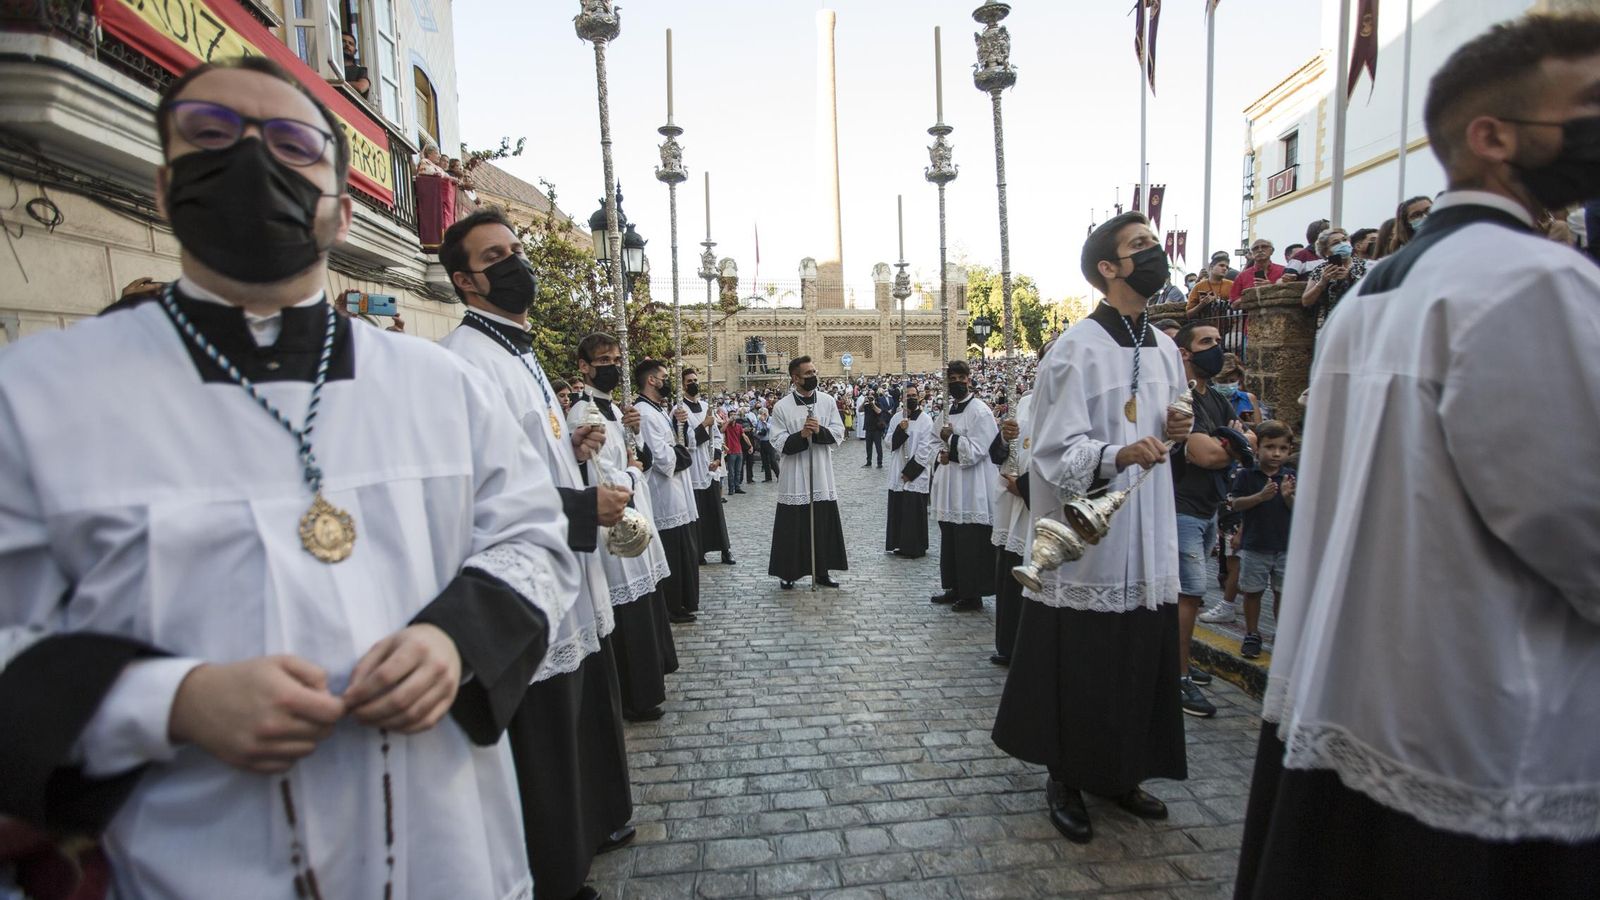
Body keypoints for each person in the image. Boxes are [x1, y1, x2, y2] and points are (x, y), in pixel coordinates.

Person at [0, 58, 582, 899]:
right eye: (211, 135)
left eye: (292, 144)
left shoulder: (441, 385)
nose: (252, 159)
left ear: (341, 210)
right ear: (166, 188)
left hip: (443, 843)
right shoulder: (39, 394)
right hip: (192, 853)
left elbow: (533, 537)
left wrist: (454, 642)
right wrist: (171, 700)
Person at [1235, 14, 1600, 899]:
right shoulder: (1535, 280)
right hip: (1484, 723)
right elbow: (1577, 518)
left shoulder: (1369, 297)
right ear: (1493, 136)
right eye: (1585, 105)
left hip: (1360, 693)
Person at [438, 210, 635, 900]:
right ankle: (555, 876)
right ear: (465, 280)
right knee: (546, 740)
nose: (516, 263)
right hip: (525, 589)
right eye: (495, 256)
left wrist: (571, 456)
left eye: (516, 249)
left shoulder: (516, 351)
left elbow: (522, 464)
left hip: (567, 575)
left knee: (578, 721)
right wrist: (581, 508)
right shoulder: (463, 363)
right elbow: (472, 497)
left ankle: (588, 836)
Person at [992, 211, 1190, 845]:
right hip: (1091, 538)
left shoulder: (1165, 348)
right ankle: (1067, 778)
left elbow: (1171, 421)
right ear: (1108, 268)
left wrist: (1178, 428)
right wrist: (1117, 453)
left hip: (1147, 528)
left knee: (1136, 655)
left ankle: (1120, 772)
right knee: (1083, 659)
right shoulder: (1074, 349)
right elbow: (1052, 451)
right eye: (1140, 246)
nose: (1155, 252)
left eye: (1154, 243)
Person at [570, 332, 679, 724]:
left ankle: (647, 686)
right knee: (628, 609)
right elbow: (598, 475)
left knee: (644, 600)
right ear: (584, 366)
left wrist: (634, 435)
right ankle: (634, 697)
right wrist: (632, 472)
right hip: (612, 523)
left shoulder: (615, 409)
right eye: (604, 361)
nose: (613, 367)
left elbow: (638, 458)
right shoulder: (583, 414)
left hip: (634, 513)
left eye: (617, 360)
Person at [1169, 320, 1239, 718]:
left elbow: (1248, 439)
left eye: (1218, 340)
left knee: (1192, 597)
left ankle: (1181, 661)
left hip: (1208, 508)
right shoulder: (1182, 399)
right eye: (1206, 341)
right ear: (1185, 352)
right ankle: (1177, 676)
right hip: (1183, 507)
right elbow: (1206, 454)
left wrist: (1229, 446)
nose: (1217, 347)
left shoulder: (1214, 397)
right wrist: (1231, 447)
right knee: (1189, 594)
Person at [767, 356, 848, 589]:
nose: (813, 376)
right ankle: (788, 572)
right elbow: (777, 440)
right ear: (795, 378)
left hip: (821, 472)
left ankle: (822, 570)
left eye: (814, 372)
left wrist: (819, 431)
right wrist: (801, 435)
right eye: (808, 374)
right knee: (793, 525)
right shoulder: (782, 407)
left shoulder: (827, 401)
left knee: (821, 522)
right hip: (794, 475)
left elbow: (839, 432)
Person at [929, 360, 1003, 613]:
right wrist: (941, 453)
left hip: (972, 486)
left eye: (961, 378)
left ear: (969, 380)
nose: (957, 383)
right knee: (951, 537)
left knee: (970, 541)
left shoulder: (980, 411)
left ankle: (972, 594)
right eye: (952, 379)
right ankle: (954, 586)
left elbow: (979, 450)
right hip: (950, 485)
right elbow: (932, 440)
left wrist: (951, 440)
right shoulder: (946, 411)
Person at [633, 359, 701, 625]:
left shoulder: (657, 409)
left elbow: (675, 442)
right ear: (651, 380)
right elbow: (661, 457)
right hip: (663, 493)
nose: (667, 381)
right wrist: (681, 454)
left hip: (677, 491)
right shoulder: (644, 412)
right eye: (664, 377)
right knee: (672, 550)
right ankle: (673, 604)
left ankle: (682, 601)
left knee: (682, 549)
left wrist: (677, 427)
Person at [1226, 420, 1295, 661]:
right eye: (1270, 447)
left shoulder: (1290, 476)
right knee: (1253, 591)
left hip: (1285, 545)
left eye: (1282, 448)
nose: (1276, 453)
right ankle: (1252, 634)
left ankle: (1282, 634)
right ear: (1258, 448)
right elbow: (1235, 504)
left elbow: (1299, 510)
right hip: (1256, 544)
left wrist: (1288, 497)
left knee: (1282, 593)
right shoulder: (1247, 475)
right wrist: (1260, 497)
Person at [989, 357, 1042, 666]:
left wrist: (1024, 486)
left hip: (1040, 509)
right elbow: (997, 453)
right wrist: (1003, 437)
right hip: (1013, 510)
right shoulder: (1024, 403)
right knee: (1011, 580)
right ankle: (1009, 647)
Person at [679, 368, 733, 567]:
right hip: (694, 468)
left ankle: (725, 550)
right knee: (698, 512)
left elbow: (717, 436)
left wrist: (717, 459)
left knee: (716, 511)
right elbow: (686, 441)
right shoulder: (679, 411)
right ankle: (700, 551)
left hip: (710, 467)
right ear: (682, 385)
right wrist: (704, 425)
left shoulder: (705, 406)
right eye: (689, 381)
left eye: (695, 380)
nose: (693, 383)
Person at [884, 385, 937, 560]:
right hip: (898, 468)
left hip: (916, 473)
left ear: (919, 397)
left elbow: (926, 448)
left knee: (913, 511)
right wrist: (900, 430)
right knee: (900, 510)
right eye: (908, 395)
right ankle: (899, 544)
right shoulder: (896, 418)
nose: (911, 398)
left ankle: (915, 546)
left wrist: (910, 472)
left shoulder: (926, 420)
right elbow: (888, 442)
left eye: (914, 395)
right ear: (902, 399)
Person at [1301, 226, 1368, 330]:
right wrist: (1322, 282)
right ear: (1326, 251)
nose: (1343, 244)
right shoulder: (1320, 270)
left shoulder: (1365, 266)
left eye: (1344, 240)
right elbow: (1306, 301)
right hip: (1331, 325)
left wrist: (1349, 278)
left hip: (1361, 322)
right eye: (1336, 243)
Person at [725, 413, 749, 495]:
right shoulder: (727, 426)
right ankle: (731, 489)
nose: (733, 416)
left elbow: (744, 436)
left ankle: (737, 487)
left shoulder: (739, 426)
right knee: (731, 472)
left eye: (734, 415)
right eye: (731, 415)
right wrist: (728, 421)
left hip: (739, 451)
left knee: (738, 471)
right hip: (731, 451)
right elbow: (721, 430)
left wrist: (750, 445)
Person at [862, 391, 885, 468]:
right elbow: (859, 410)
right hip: (868, 428)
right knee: (868, 447)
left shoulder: (878, 404)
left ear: (874, 397)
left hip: (876, 429)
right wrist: (864, 402)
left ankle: (879, 463)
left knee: (878, 447)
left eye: (871, 396)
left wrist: (873, 404)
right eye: (869, 396)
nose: (870, 398)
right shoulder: (866, 405)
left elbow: (879, 411)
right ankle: (868, 462)